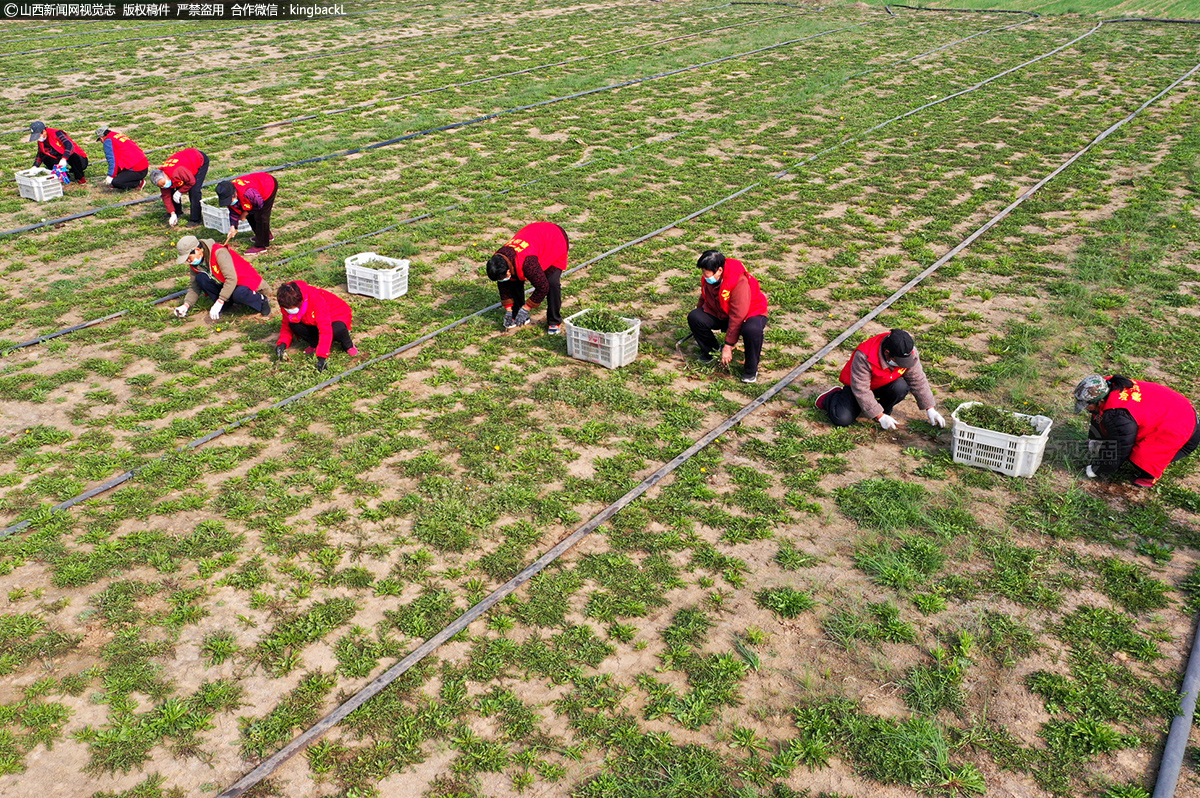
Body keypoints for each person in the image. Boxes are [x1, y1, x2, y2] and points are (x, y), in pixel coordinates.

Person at [1075, 374, 1200, 487]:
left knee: (1138, 455)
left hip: (1184, 431)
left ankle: (1150, 477)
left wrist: (1099, 469)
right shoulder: (1108, 386)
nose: (1086, 409)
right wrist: (1097, 442)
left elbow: (1121, 448)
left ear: (1101, 401)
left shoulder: (1119, 414)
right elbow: (1100, 418)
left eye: (1087, 405)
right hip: (1177, 410)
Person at [816, 328, 946, 430]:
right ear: (887, 353)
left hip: (885, 384)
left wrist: (930, 408)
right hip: (858, 387)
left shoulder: (908, 352)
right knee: (842, 419)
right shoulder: (864, 355)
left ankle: (882, 409)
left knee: (900, 386)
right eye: (898, 361)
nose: (903, 364)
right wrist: (880, 416)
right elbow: (861, 390)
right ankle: (832, 396)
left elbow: (918, 380)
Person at [687, 249, 769, 384]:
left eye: (706, 273)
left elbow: (738, 315)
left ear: (719, 270)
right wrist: (699, 314)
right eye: (703, 272)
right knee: (696, 317)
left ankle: (750, 369)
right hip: (722, 311)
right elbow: (704, 296)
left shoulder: (738, 281)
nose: (704, 276)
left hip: (749, 312)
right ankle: (712, 351)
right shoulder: (709, 278)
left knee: (752, 330)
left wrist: (728, 345)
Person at [485, 222, 569, 334]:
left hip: (554, 240)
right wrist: (509, 310)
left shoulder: (527, 263)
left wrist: (526, 308)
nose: (502, 280)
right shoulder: (499, 259)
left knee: (551, 282)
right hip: (534, 237)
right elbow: (504, 284)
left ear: (508, 270)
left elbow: (543, 287)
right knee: (513, 280)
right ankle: (516, 314)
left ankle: (554, 321)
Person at [172, 235, 271, 320]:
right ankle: (226, 305)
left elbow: (231, 279)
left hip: (244, 282)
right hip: (227, 284)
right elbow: (194, 286)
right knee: (201, 279)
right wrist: (186, 305)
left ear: (198, 250)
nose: (188, 261)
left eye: (189, 258)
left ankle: (261, 301)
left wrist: (220, 300)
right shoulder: (195, 264)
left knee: (239, 294)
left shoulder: (219, 252)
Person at [275, 281, 357, 372]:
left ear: (300, 302)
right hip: (311, 320)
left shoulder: (316, 299)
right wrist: (282, 343)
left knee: (337, 330)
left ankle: (348, 345)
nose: (289, 311)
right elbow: (286, 324)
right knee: (294, 324)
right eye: (287, 309)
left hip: (334, 315)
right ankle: (314, 344)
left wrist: (322, 356)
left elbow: (325, 328)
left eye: (291, 308)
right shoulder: (286, 301)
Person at [215, 172, 277, 254]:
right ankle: (265, 235)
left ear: (235, 193)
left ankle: (261, 245)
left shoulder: (248, 192)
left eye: (230, 200)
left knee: (261, 217)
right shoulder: (229, 193)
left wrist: (245, 213)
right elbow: (233, 211)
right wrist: (233, 227)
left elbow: (259, 204)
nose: (230, 202)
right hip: (255, 192)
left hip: (267, 185)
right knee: (250, 215)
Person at [148, 147, 209, 227]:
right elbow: (166, 196)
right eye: (161, 185)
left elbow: (191, 181)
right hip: (185, 165)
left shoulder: (177, 171)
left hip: (198, 159)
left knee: (194, 190)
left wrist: (180, 191)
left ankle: (196, 219)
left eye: (163, 183)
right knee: (170, 188)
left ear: (165, 175)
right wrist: (172, 213)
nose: (163, 185)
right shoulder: (161, 179)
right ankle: (177, 211)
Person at [94, 125, 148, 191]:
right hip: (143, 166)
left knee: (117, 182)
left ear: (101, 138)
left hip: (136, 170)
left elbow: (112, 160)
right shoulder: (116, 135)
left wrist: (110, 176)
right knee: (118, 178)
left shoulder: (108, 141)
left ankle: (138, 183)